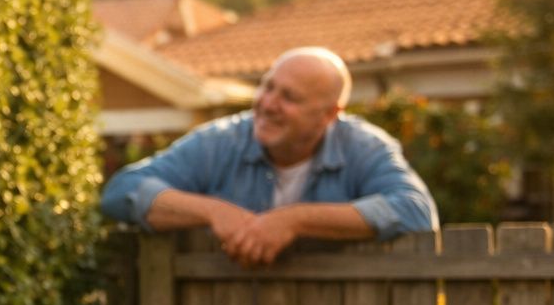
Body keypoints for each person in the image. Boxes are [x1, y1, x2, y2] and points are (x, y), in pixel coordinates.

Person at [100, 47, 438, 266]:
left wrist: (293, 220)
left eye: (289, 97)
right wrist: (213, 212)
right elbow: (122, 191)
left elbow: (415, 210)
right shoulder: (219, 141)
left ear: (328, 115)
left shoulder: (364, 147)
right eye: (267, 86)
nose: (267, 103)